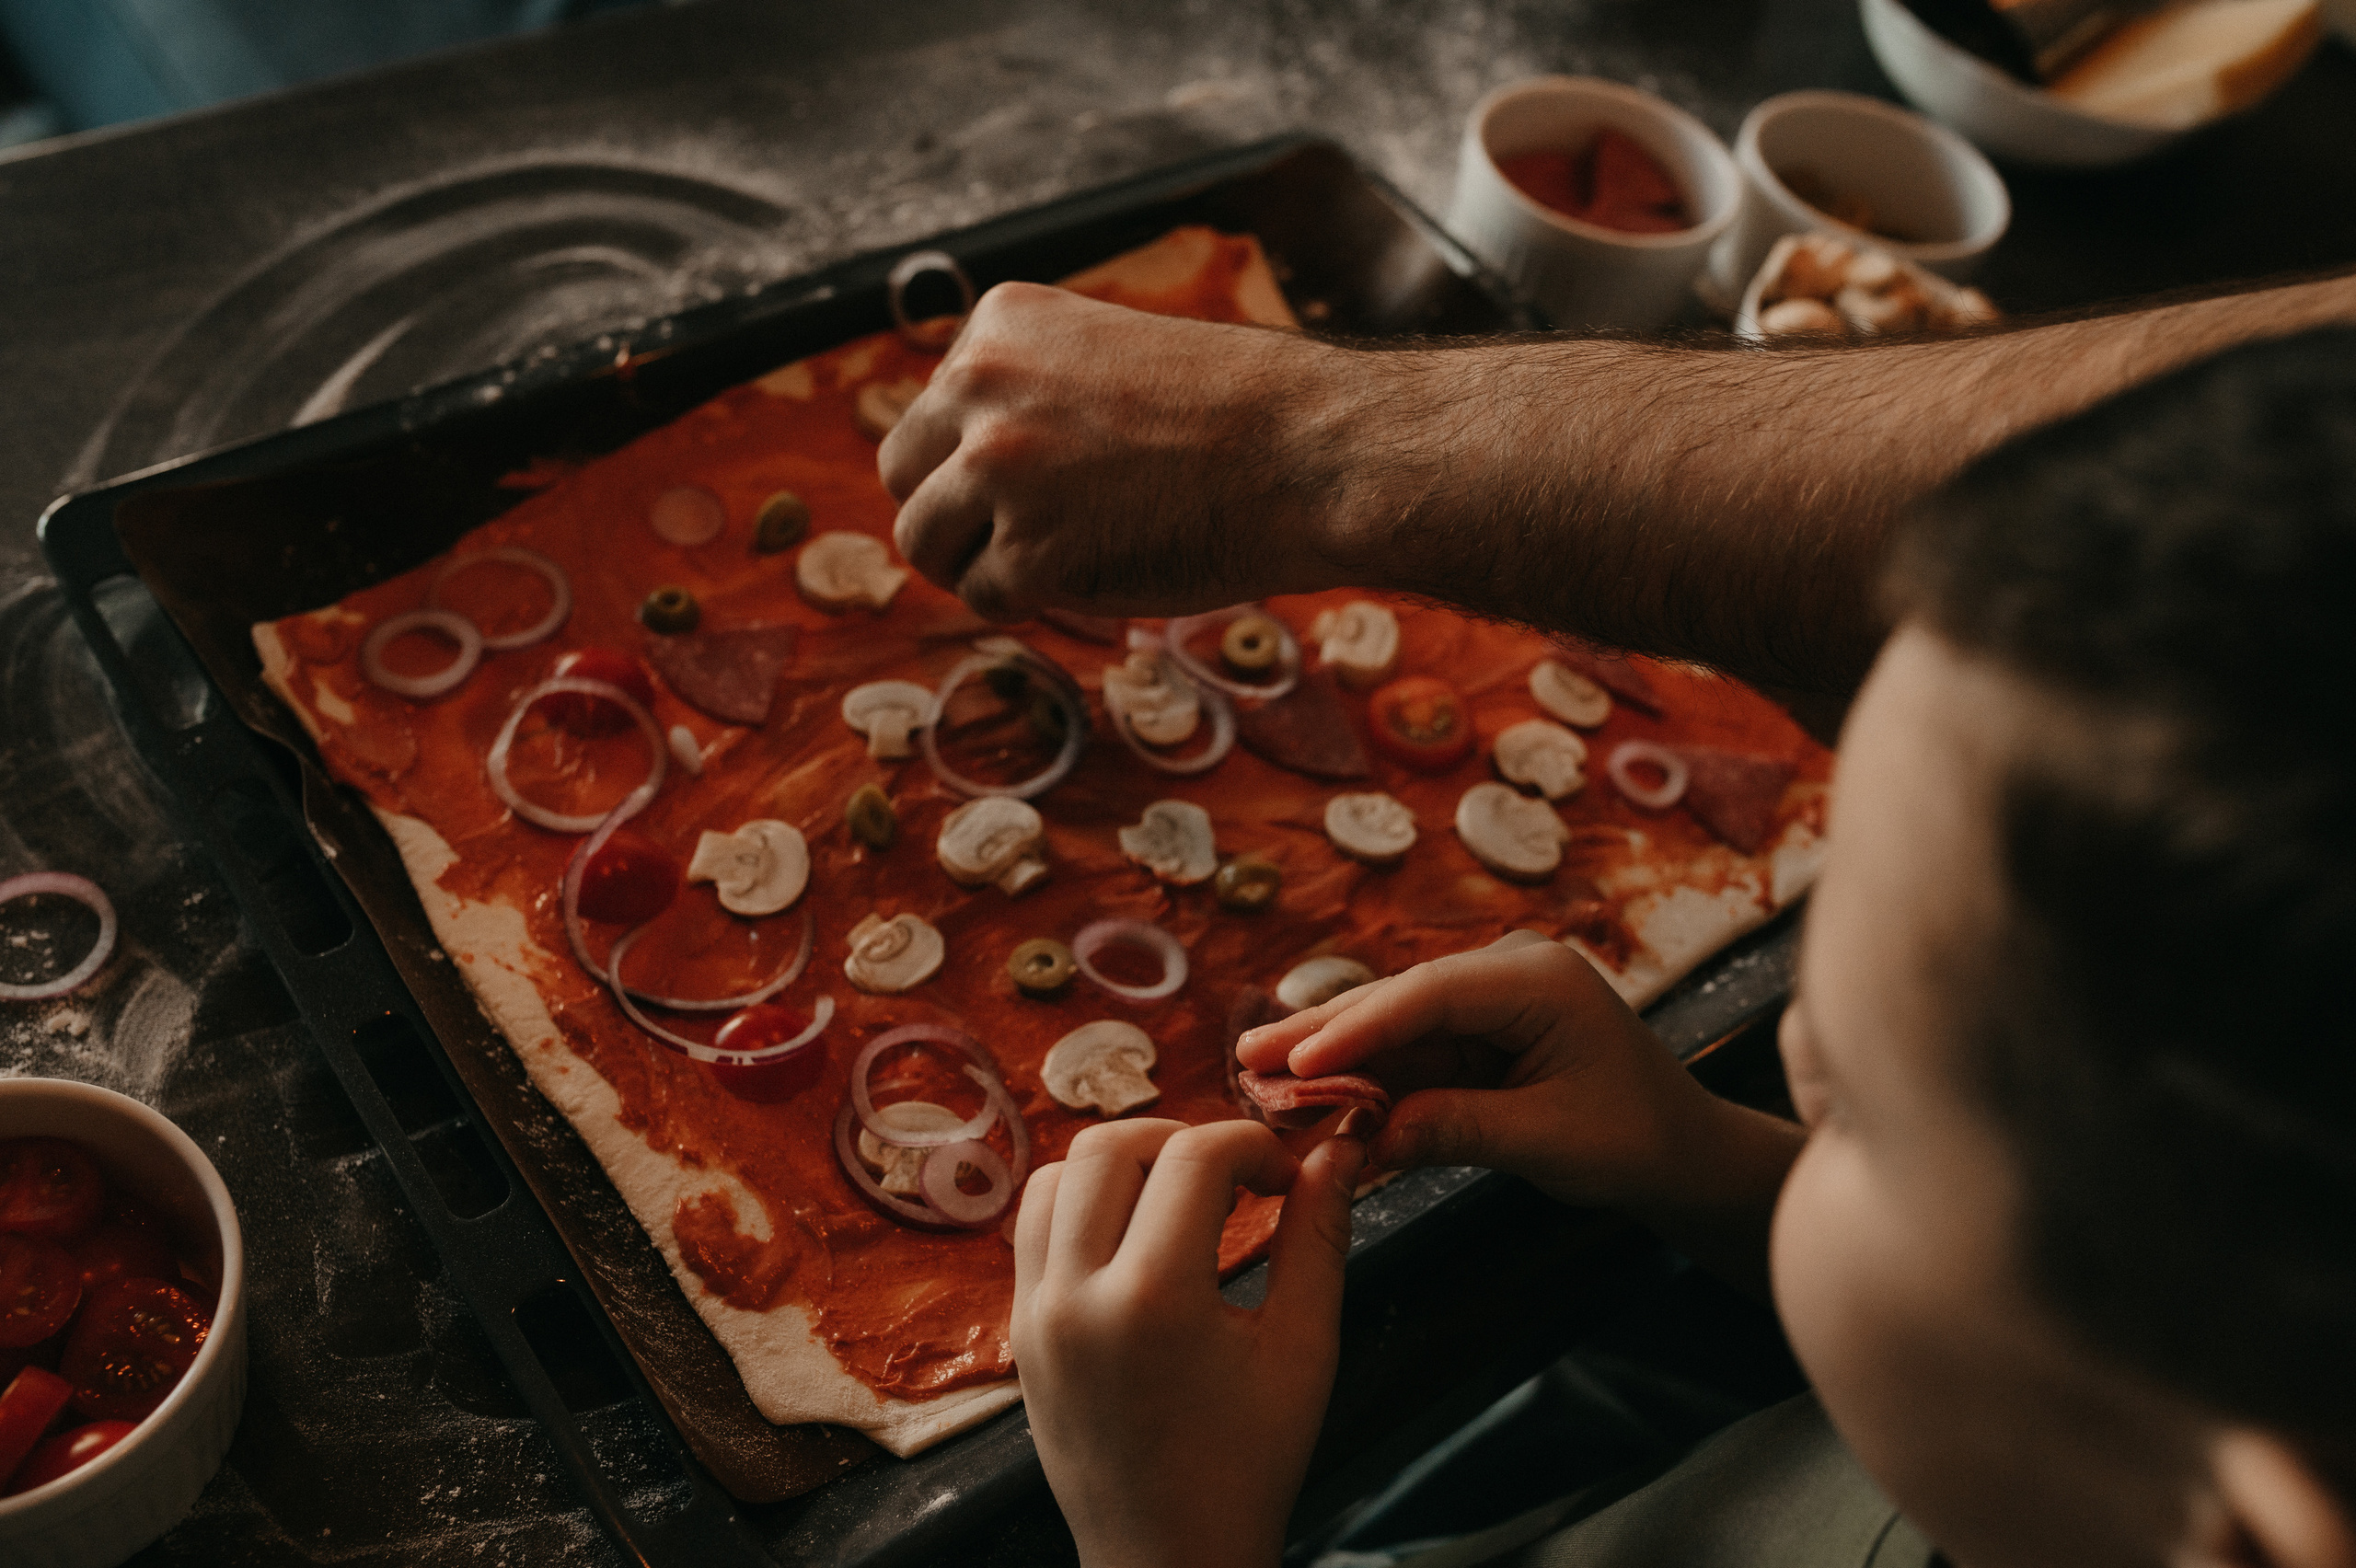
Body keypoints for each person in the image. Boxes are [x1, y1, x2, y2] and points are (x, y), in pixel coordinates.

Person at [884, 291, 2356, 1567]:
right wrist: (1711, 1161)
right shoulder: (2116, 1469)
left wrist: (1165, 1547)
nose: (1781, 1050)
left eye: (1851, 1109)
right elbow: (2029, 1374)